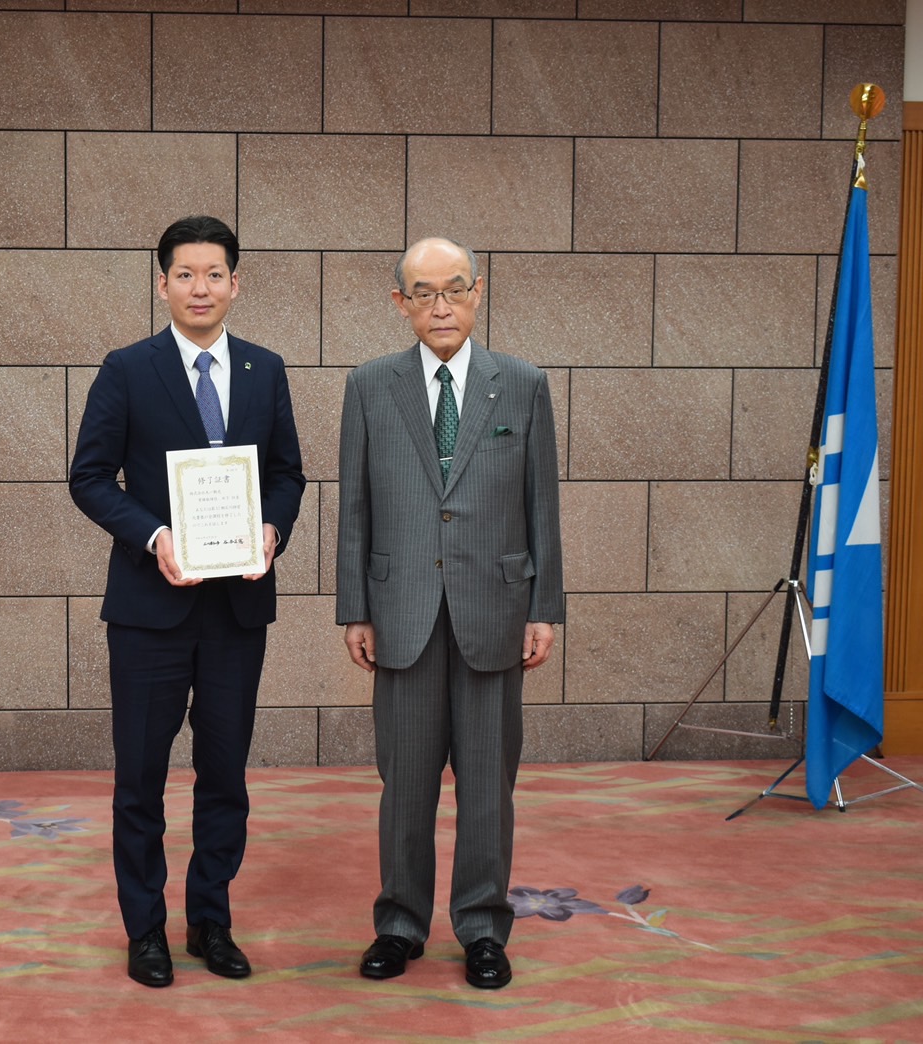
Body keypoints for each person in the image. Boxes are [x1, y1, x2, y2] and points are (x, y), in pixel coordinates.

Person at [69, 215, 305, 988]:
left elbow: (288, 474)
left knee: (225, 774)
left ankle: (210, 918)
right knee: (140, 776)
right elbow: (92, 477)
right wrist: (154, 537)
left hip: (237, 608)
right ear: (161, 282)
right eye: (185, 274)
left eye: (214, 274)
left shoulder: (266, 370)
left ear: (236, 283)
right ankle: (146, 930)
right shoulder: (127, 369)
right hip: (150, 610)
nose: (200, 287)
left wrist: (272, 526)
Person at [335, 236, 564, 990]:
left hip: (495, 611)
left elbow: (541, 506)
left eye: (455, 289)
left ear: (478, 292)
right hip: (399, 611)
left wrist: (544, 607)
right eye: (423, 292)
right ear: (399, 302)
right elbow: (356, 507)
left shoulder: (522, 386)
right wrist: (354, 608)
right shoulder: (370, 387)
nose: (441, 306)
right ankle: (399, 924)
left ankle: (482, 928)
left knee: (489, 784)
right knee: (404, 783)